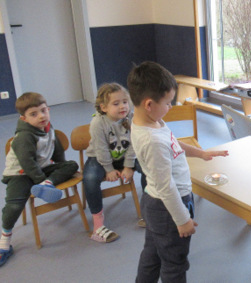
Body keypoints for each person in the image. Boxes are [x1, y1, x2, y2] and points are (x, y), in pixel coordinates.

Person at [128, 61, 228, 282]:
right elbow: (166, 187)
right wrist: (183, 220)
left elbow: (172, 143)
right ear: (148, 104)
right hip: (168, 209)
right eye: (168, 102)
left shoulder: (152, 122)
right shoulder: (151, 139)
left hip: (157, 206)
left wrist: (199, 153)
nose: (170, 107)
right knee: (174, 263)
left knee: (152, 255)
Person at [0, 92, 78, 266]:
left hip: (40, 169)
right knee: (14, 205)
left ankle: (46, 184)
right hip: (19, 174)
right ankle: (4, 243)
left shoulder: (49, 128)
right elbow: (27, 163)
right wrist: (40, 178)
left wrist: (60, 169)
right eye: (34, 114)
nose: (41, 116)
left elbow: (57, 150)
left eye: (43, 110)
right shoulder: (24, 137)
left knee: (71, 166)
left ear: (48, 109)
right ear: (24, 118)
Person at [83, 83, 146, 243]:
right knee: (89, 179)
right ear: (103, 107)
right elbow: (101, 149)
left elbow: (134, 143)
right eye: (116, 103)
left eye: (125, 102)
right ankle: (98, 226)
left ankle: (149, 210)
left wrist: (128, 166)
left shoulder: (132, 118)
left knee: (148, 167)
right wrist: (109, 169)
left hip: (125, 156)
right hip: (99, 159)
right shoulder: (98, 123)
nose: (122, 106)